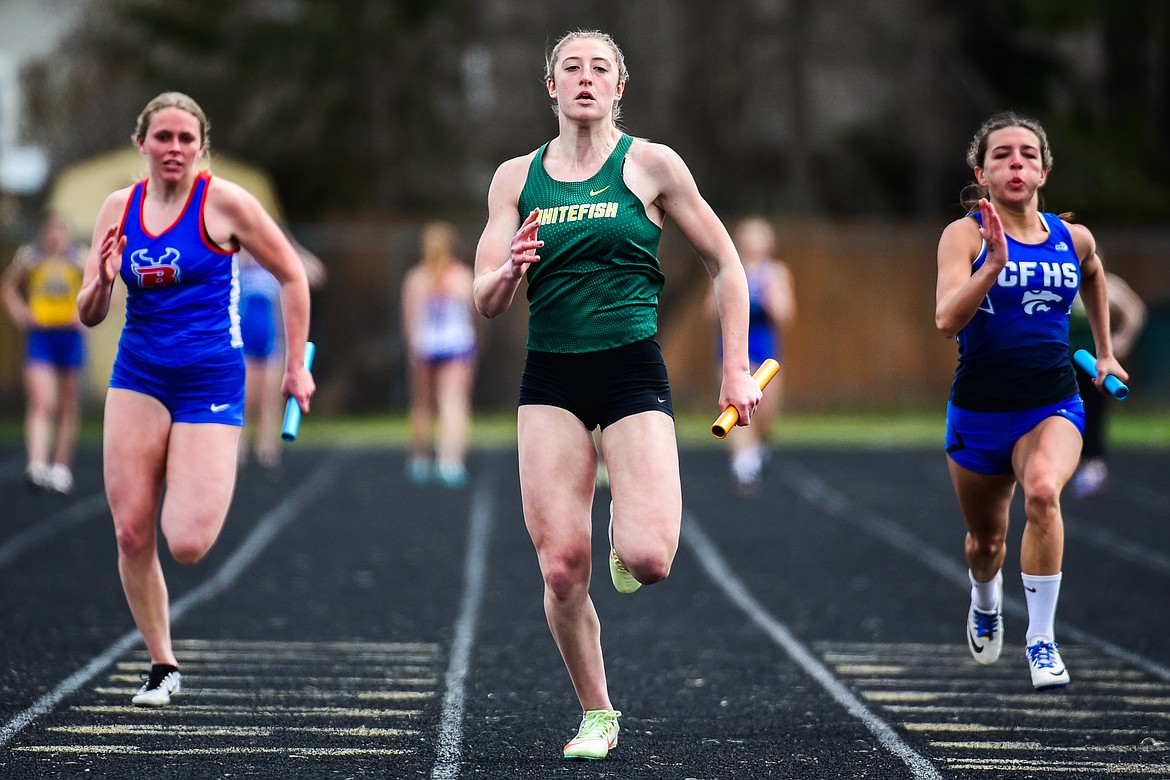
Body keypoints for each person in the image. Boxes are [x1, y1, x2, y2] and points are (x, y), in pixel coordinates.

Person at [473, 30, 761, 760]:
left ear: (619, 86)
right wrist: (509, 268)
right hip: (552, 378)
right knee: (561, 567)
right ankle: (597, 711)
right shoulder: (516, 177)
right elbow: (486, 298)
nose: (585, 79)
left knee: (650, 557)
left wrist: (735, 367)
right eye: (571, 68)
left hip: (631, 371)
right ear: (550, 87)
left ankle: (624, 534)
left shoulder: (653, 166)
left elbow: (728, 265)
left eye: (600, 68)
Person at [76, 92, 314, 708]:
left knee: (185, 541)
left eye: (185, 138)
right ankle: (162, 663)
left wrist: (295, 367)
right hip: (139, 373)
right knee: (131, 531)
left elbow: (291, 272)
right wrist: (102, 279)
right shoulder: (117, 208)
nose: (174, 149)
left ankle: (194, 474)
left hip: (210, 376)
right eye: (163, 138)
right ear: (142, 145)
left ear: (201, 146)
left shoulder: (225, 203)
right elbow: (91, 311)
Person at [935, 111, 1126, 691]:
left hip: (1053, 404)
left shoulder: (1074, 237)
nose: (1015, 163)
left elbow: (1093, 273)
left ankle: (1041, 640)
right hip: (979, 412)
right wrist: (992, 264)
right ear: (982, 172)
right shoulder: (963, 236)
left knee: (1044, 492)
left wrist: (1105, 350)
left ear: (1043, 171)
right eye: (1002, 155)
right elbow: (946, 320)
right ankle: (986, 599)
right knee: (985, 542)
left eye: (1026, 154)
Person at [1, 211, 88, 494]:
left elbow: (107, 287)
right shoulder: (31, 258)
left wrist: (86, 315)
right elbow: (8, 287)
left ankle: (60, 467)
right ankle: (37, 464)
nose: (55, 237)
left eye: (61, 231)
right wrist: (21, 314)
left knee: (67, 404)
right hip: (41, 336)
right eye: (51, 231)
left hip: (70, 337)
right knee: (41, 401)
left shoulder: (79, 258)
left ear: (67, 234)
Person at [712, 217, 796, 494]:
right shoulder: (726, 270)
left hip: (765, 347)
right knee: (736, 408)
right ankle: (743, 465)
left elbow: (786, 314)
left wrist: (768, 292)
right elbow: (708, 311)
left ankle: (758, 448)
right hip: (732, 348)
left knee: (766, 414)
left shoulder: (776, 272)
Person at [237, 237, 326, 470]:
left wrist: (287, 243)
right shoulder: (236, 264)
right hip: (243, 343)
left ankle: (267, 452)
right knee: (244, 400)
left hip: (270, 342)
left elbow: (316, 272)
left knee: (270, 401)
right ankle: (239, 451)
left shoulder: (273, 267)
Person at [401, 220, 477, 488]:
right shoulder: (463, 277)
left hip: (425, 345)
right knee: (453, 403)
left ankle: (420, 460)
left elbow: (409, 320)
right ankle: (450, 462)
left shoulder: (415, 278)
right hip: (457, 345)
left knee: (421, 403)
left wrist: (412, 346)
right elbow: (476, 316)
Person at [1067, 271, 1146, 498]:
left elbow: (1135, 310)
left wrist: (1120, 342)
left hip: (1095, 364)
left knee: (1093, 411)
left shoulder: (1109, 285)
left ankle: (1092, 464)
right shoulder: (1063, 282)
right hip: (1062, 363)